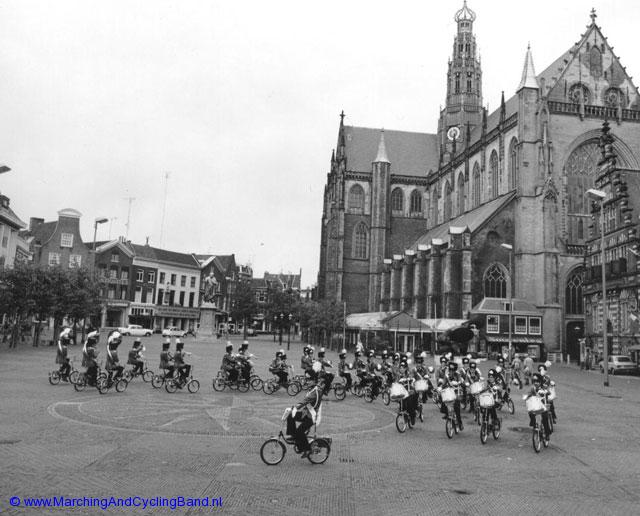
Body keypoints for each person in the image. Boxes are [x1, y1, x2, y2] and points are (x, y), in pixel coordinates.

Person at [286, 371, 325, 459]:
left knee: (300, 431)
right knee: (290, 416)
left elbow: (306, 400)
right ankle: (293, 436)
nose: (307, 381)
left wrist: (296, 407)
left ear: (314, 380)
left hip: (312, 417)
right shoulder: (312, 388)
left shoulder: (316, 390)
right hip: (306, 414)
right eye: (307, 380)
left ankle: (307, 449)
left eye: (309, 380)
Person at [440, 361, 463, 430]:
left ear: (455, 370)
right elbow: (443, 384)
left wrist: (457, 382)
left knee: (457, 408)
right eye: (450, 370)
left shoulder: (458, 374)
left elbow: (460, 381)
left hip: (456, 393)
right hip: (449, 393)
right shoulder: (446, 376)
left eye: (453, 370)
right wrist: (440, 388)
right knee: (444, 400)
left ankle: (460, 423)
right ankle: (446, 414)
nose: (451, 372)